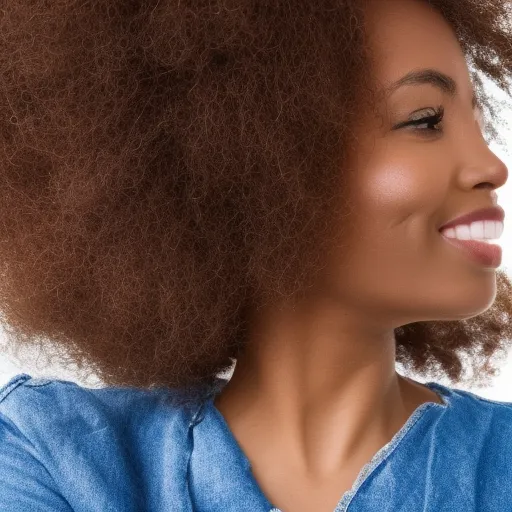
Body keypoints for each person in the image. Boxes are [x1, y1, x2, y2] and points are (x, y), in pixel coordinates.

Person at [0, 0, 512, 510]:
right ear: (258, 158)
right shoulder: (60, 460)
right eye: (425, 120)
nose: (492, 167)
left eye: (477, 121)